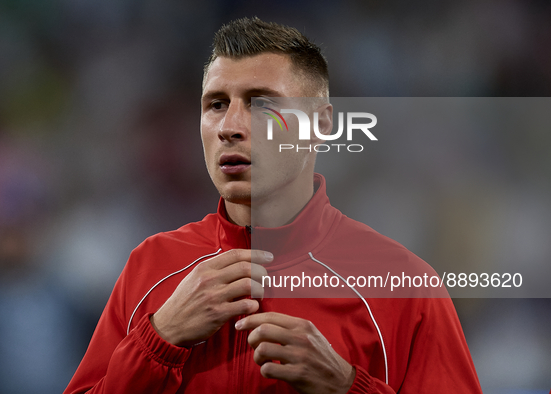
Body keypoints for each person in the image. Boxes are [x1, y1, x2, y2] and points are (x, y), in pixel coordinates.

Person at [65, 17, 482, 393]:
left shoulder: (404, 287)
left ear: (320, 125)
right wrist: (158, 341)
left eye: (262, 104)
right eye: (216, 104)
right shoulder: (150, 267)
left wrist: (348, 387)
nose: (230, 127)